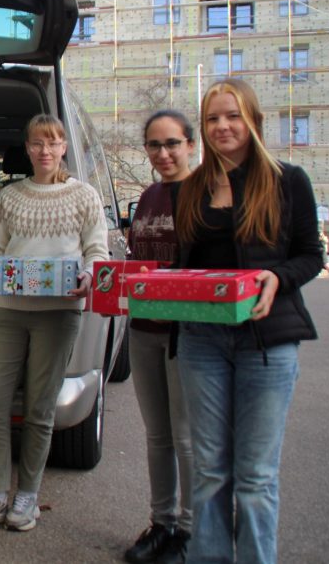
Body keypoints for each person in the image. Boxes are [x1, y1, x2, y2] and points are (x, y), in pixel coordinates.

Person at [173, 79, 322, 563]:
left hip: (267, 342)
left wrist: (276, 278)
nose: (222, 126)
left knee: (255, 477)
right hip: (202, 341)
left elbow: (310, 256)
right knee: (211, 471)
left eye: (232, 116)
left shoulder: (288, 179)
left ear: (253, 121)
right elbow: (188, 267)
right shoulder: (192, 188)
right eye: (213, 118)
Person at [0, 114, 109, 533]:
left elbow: (97, 251)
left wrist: (88, 274)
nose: (46, 150)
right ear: (27, 148)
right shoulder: (10, 196)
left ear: (64, 148)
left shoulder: (84, 196)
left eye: (54, 143)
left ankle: (27, 497)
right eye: (38, 143)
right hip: (9, 309)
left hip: (59, 314)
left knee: (40, 409)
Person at [123, 110, 196, 564]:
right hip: (143, 328)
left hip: (185, 333)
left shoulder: (207, 194)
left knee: (186, 437)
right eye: (154, 145)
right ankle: (161, 522)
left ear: (190, 145)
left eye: (172, 143)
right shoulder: (149, 196)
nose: (163, 153)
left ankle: (190, 530)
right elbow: (136, 260)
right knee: (157, 435)